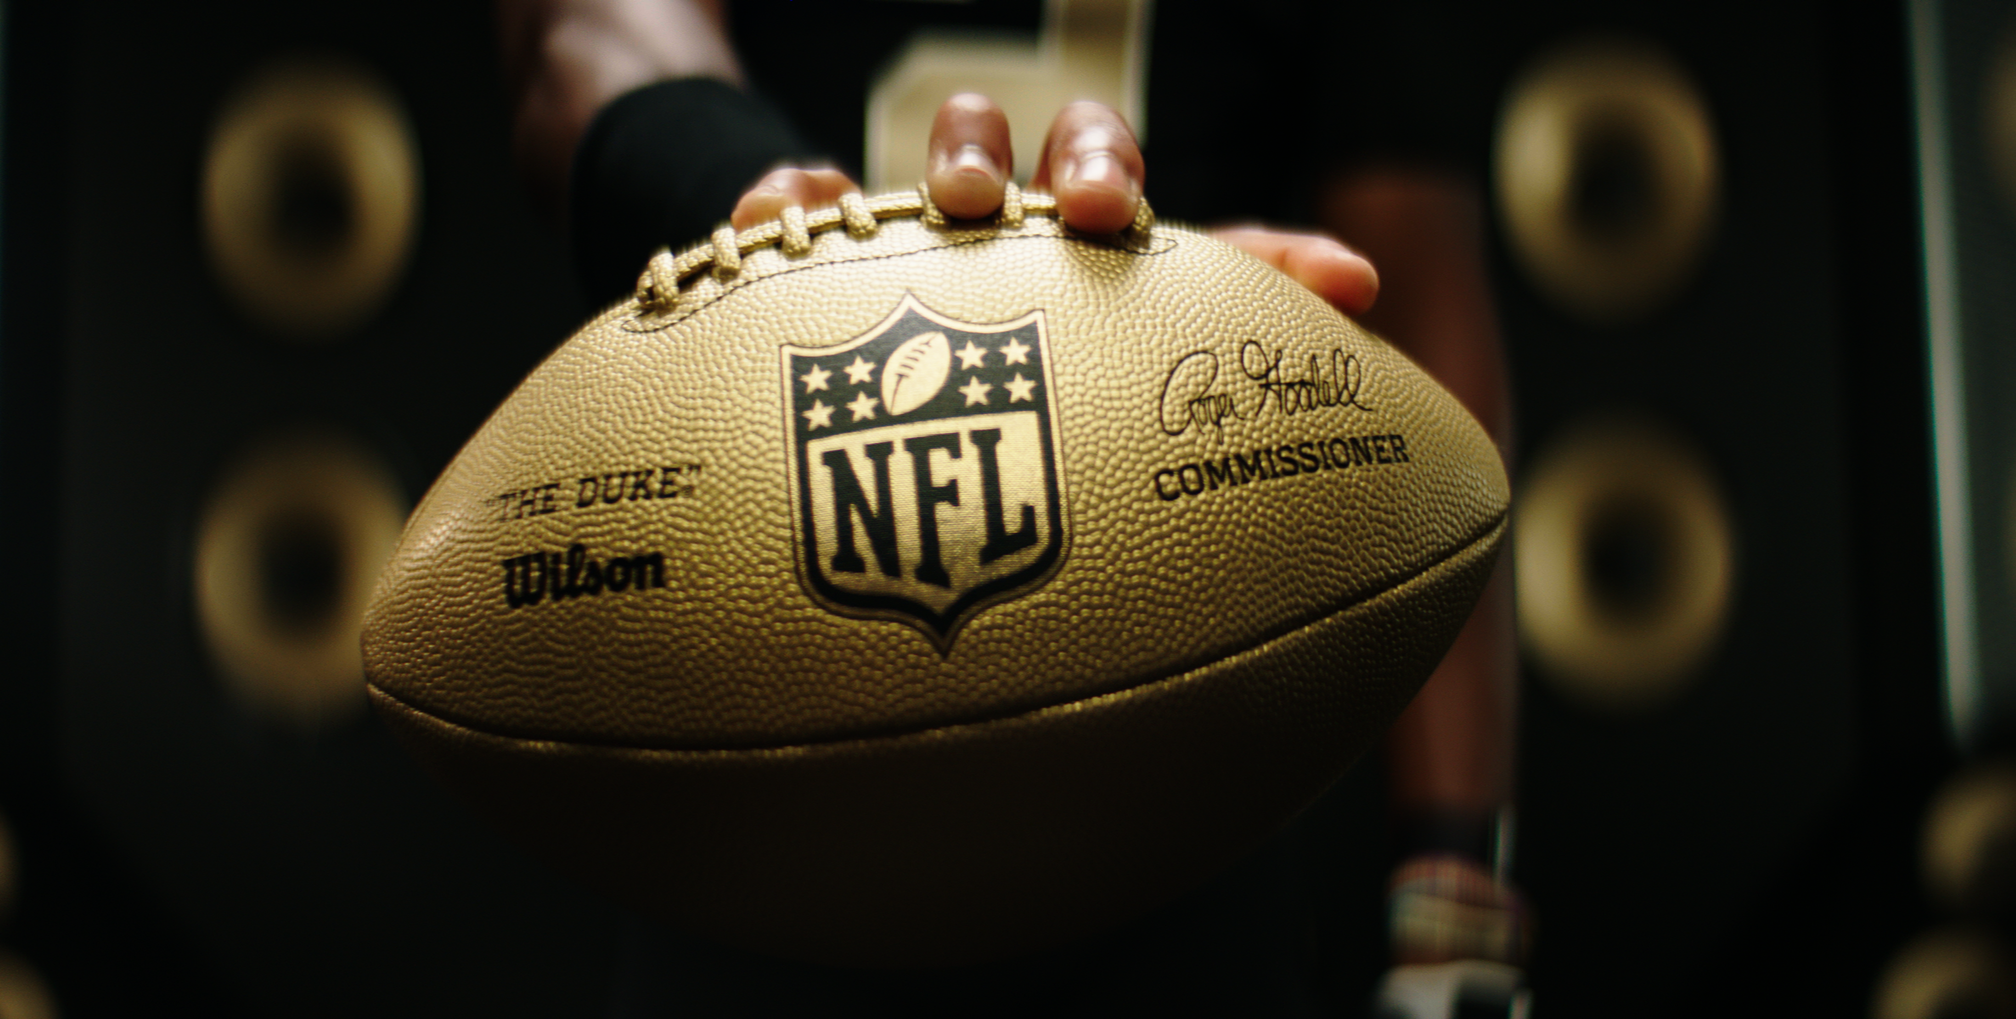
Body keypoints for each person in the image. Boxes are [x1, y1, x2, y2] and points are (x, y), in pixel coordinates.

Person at [497, 2, 1525, 1013]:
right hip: (757, 790)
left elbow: (1419, 300)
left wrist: (1449, 890)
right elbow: (583, 36)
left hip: (1179, 767)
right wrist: (778, 247)